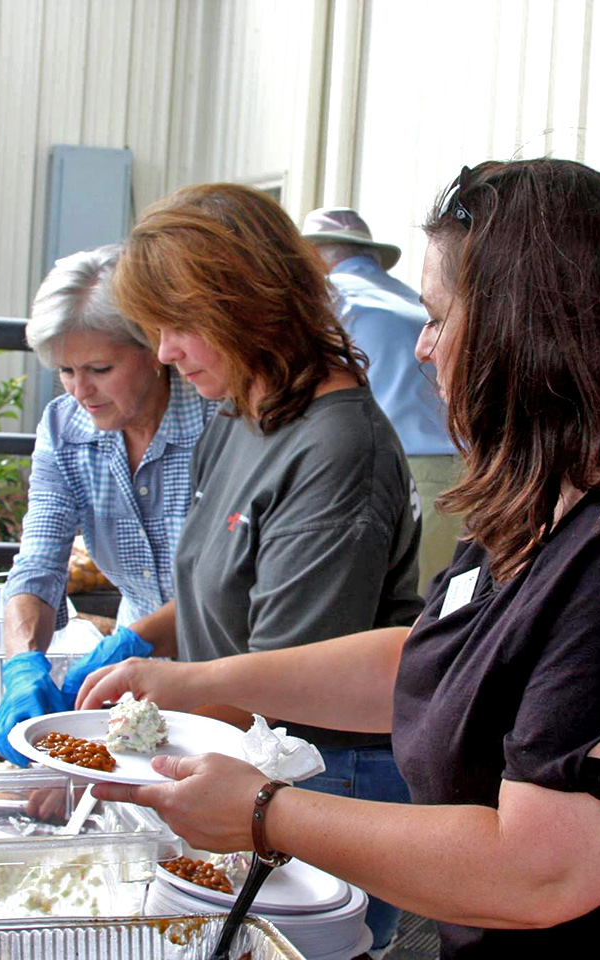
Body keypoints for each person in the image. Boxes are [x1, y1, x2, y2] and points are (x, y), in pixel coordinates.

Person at [79, 160, 600, 957]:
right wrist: (195, 680)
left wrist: (265, 812)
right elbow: (435, 656)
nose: (425, 348)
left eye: (438, 316)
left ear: (526, 326)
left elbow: (541, 869)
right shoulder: (544, 481)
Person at [105, 183, 424, 954]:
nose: (164, 354)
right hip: (232, 753)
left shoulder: (336, 450)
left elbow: (287, 682)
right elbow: (218, 584)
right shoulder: (244, 408)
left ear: (249, 305)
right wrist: (130, 648)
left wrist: (109, 744)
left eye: (179, 326)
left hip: (317, 782)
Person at [0, 245, 216, 766]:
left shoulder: (217, 423)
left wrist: (132, 643)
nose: (80, 391)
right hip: (132, 670)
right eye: (65, 371)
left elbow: (228, 584)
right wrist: (22, 663)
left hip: (230, 665)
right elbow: (39, 562)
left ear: (154, 349)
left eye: (99, 367)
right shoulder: (65, 427)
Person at [301, 206, 462, 587]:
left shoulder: (329, 301)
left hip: (395, 474)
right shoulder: (411, 299)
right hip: (462, 470)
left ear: (312, 258)